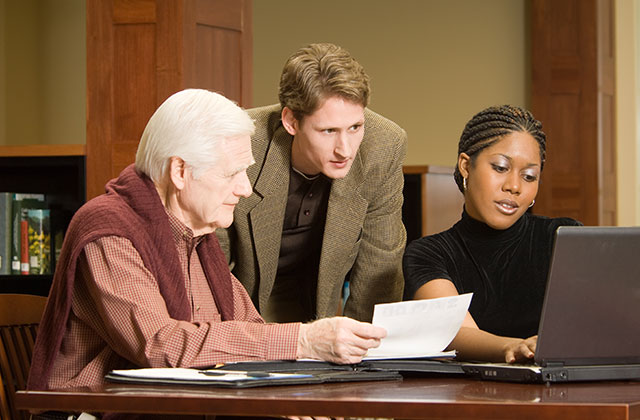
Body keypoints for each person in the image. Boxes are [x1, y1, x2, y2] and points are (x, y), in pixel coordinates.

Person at [27, 89, 386, 398]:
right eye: (232, 173)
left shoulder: (196, 236)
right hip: (93, 412)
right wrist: (305, 340)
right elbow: (162, 345)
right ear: (180, 171)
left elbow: (252, 332)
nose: (245, 188)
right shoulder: (108, 231)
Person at [216, 43, 407, 323]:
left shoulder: (384, 145)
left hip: (317, 312)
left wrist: (364, 353)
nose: (345, 149)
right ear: (291, 122)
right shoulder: (239, 145)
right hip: (239, 311)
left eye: (355, 127)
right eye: (328, 131)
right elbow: (210, 261)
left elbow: (380, 264)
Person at [403, 105, 582, 364]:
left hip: (566, 393)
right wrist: (515, 346)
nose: (514, 186)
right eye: (500, 167)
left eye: (529, 176)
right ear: (466, 166)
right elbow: (454, 332)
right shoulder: (429, 254)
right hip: (469, 398)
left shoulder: (562, 237)